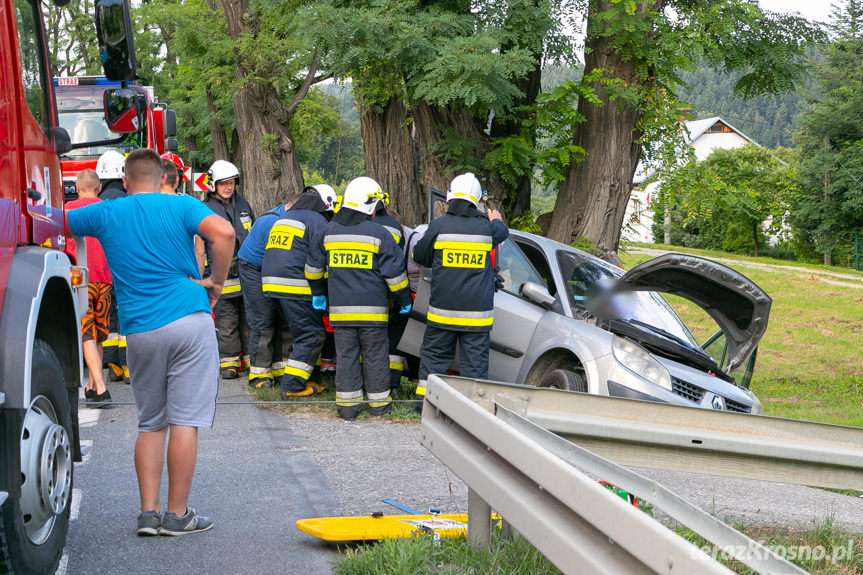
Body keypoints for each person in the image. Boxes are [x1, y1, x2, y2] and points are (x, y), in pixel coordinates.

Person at [66, 148, 235, 536]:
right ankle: (178, 516)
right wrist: (216, 282)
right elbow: (224, 233)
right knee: (185, 422)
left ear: (124, 182)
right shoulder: (181, 206)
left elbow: (51, 221)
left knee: (151, 423)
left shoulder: (106, 212)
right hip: (189, 320)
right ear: (162, 178)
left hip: (140, 329)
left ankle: (148, 513)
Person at [306, 177, 412, 420]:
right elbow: (395, 275)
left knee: (346, 357)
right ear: (370, 206)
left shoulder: (328, 231)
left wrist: (318, 294)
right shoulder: (379, 233)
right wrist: (404, 299)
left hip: (341, 312)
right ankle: (379, 407)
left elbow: (312, 269)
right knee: (375, 356)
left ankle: (348, 408)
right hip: (373, 313)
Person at [411, 172, 508, 407]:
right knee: (474, 369)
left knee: (434, 361)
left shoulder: (439, 226)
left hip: (442, 314)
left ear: (450, 196)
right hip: (477, 319)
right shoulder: (487, 229)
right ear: (476, 199)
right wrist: (496, 218)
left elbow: (419, 256)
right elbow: (502, 232)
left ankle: (426, 406)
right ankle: (469, 413)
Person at [261, 185, 336, 398]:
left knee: (300, 333)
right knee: (312, 334)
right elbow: (317, 262)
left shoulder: (285, 217)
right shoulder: (317, 221)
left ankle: (308, 378)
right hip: (295, 284)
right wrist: (320, 291)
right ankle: (292, 386)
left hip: (270, 284)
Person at [236, 194, 300, 389]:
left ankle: (281, 368)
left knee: (283, 315)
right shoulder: (273, 222)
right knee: (263, 318)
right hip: (253, 268)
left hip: (271, 267)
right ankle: (259, 374)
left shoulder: (289, 217)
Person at [202, 160, 254, 379]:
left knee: (248, 321)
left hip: (246, 275)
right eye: (223, 183)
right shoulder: (205, 209)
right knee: (226, 322)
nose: (228, 187)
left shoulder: (243, 205)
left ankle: (252, 359)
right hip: (220, 275)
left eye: (231, 183)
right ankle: (229, 363)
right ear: (213, 184)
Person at [65, 169, 113, 404]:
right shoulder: (108, 210)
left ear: (76, 187)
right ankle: (92, 387)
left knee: (86, 335)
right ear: (99, 187)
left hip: (80, 280)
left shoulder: (66, 210)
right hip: (105, 280)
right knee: (99, 336)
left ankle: (101, 389)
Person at [95, 149, 128, 382]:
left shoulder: (97, 203)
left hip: (103, 269)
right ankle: (129, 365)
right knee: (127, 311)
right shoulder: (130, 201)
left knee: (109, 316)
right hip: (127, 267)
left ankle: (113, 364)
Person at [373, 200, 409, 394]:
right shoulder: (395, 228)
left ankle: (366, 381)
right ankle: (392, 383)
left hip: (366, 290)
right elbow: (397, 261)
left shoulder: (360, 225)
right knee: (394, 335)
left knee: (368, 339)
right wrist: (403, 298)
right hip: (389, 291)